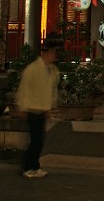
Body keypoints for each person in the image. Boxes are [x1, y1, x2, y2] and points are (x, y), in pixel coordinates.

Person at [15, 38, 61, 179]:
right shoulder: (33, 69)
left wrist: (51, 107)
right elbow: (23, 89)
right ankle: (29, 167)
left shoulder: (53, 70)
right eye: (52, 53)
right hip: (32, 107)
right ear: (46, 54)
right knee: (35, 140)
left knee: (38, 139)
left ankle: (34, 166)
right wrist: (22, 107)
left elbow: (52, 90)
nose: (54, 56)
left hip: (42, 108)